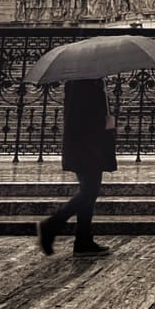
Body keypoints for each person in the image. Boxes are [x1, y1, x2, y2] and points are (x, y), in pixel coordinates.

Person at [36, 78, 117, 256]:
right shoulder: (82, 83)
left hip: (90, 146)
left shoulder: (90, 82)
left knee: (90, 191)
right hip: (86, 147)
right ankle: (51, 225)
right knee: (89, 191)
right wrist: (103, 124)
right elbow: (81, 117)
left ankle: (83, 240)